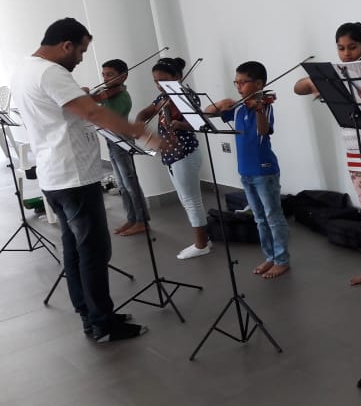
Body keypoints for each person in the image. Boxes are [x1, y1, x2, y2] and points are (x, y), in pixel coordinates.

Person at [11, 18, 154, 342]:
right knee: (93, 252)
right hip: (74, 177)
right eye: (81, 51)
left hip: (54, 176)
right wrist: (141, 132)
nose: (80, 59)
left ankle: (89, 314)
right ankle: (103, 323)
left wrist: (81, 95)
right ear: (66, 45)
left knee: (74, 250)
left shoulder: (26, 69)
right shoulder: (52, 72)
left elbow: (61, 108)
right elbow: (92, 113)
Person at [294, 22, 361, 292]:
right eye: (341, 48)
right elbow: (298, 87)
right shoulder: (336, 75)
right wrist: (315, 81)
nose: (346, 54)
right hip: (353, 147)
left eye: (352, 47)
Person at [208, 62, 291, 278]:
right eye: (236, 82)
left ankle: (282, 260)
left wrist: (259, 109)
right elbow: (207, 113)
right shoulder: (238, 108)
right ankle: (270, 256)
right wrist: (222, 103)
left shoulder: (266, 107)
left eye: (243, 82)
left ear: (259, 84)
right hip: (245, 171)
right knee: (259, 218)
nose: (238, 87)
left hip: (264, 171)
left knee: (273, 217)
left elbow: (263, 131)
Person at [135, 57, 211, 261]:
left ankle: (202, 245)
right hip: (170, 154)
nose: (159, 85)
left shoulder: (188, 97)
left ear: (178, 76)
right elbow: (146, 112)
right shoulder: (163, 98)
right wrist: (139, 121)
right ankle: (204, 238)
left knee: (191, 200)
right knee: (186, 199)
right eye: (156, 81)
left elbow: (198, 124)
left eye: (163, 80)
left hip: (185, 153)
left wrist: (180, 125)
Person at [90, 59, 149, 236]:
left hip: (122, 141)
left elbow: (110, 117)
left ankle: (142, 221)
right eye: (103, 75)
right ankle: (131, 218)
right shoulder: (106, 94)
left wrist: (94, 101)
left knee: (130, 184)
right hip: (112, 141)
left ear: (123, 76)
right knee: (122, 185)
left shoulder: (122, 96)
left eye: (110, 75)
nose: (105, 79)